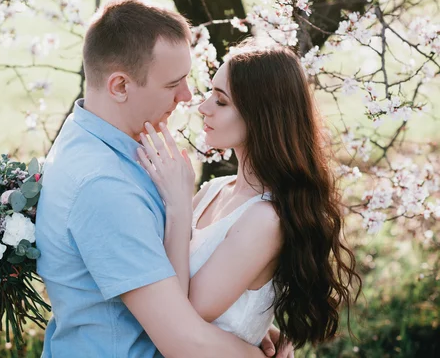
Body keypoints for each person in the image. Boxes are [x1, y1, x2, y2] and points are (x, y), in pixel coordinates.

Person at [35, 0, 292, 357]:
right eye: (173, 84)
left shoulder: (93, 141)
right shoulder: (104, 186)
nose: (188, 98)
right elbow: (182, 340)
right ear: (120, 86)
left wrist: (246, 323)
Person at [138, 39, 362, 353]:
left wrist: (177, 206)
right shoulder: (213, 190)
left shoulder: (266, 219)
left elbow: (181, 318)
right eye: (210, 94)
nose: (203, 107)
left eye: (221, 101)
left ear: (261, 115)